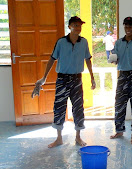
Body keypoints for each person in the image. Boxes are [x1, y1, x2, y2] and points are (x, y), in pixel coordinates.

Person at [34, 16, 96, 148]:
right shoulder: (61, 42)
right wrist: (44, 77)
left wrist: (92, 77)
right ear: (69, 27)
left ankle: (78, 137)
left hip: (77, 79)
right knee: (59, 107)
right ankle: (59, 138)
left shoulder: (84, 42)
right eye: (75, 25)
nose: (77, 28)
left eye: (79, 26)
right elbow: (52, 59)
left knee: (78, 108)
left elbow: (88, 59)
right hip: (62, 79)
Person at [109, 16, 132, 144]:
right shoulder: (118, 43)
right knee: (119, 104)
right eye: (126, 26)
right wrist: (114, 60)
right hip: (123, 76)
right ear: (124, 27)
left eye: (130, 26)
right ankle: (119, 131)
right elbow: (116, 60)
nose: (128, 28)